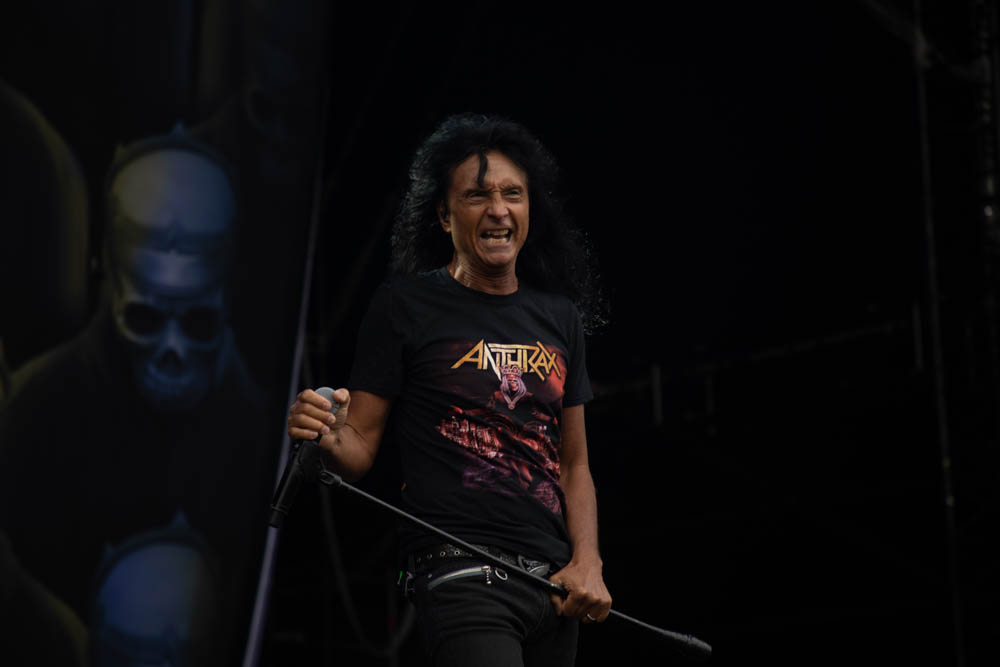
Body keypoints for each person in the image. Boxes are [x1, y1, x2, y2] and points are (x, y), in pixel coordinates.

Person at [287, 113, 610, 666]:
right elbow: (357, 447)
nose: (498, 210)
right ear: (443, 214)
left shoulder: (560, 318)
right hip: (460, 572)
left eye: (513, 194)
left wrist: (588, 562)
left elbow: (573, 464)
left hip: (554, 587)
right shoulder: (404, 306)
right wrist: (326, 432)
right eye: (477, 195)